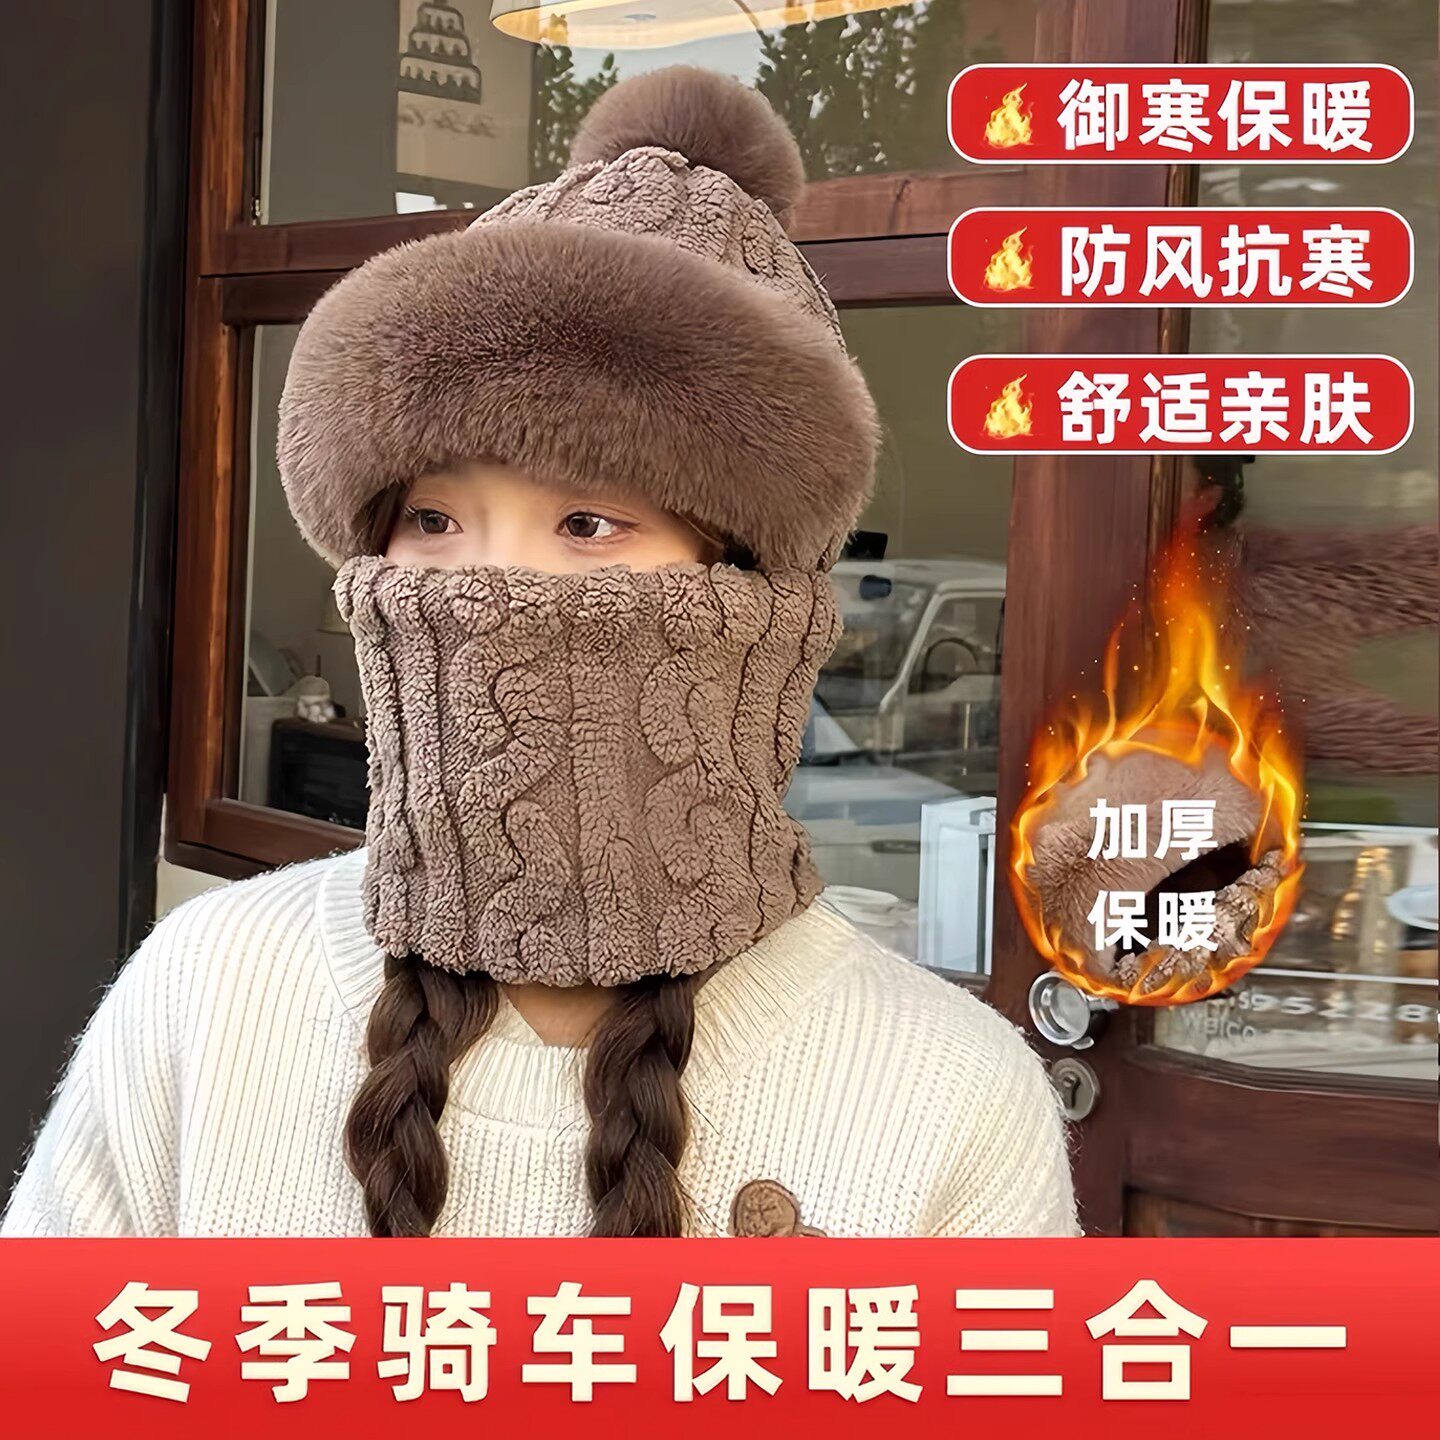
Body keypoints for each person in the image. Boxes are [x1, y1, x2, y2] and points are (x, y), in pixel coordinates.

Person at [2, 68, 1077, 1240]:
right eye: (432, 518)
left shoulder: (949, 1093)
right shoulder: (208, 991)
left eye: (587, 523)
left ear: (752, 585)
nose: (484, 586)